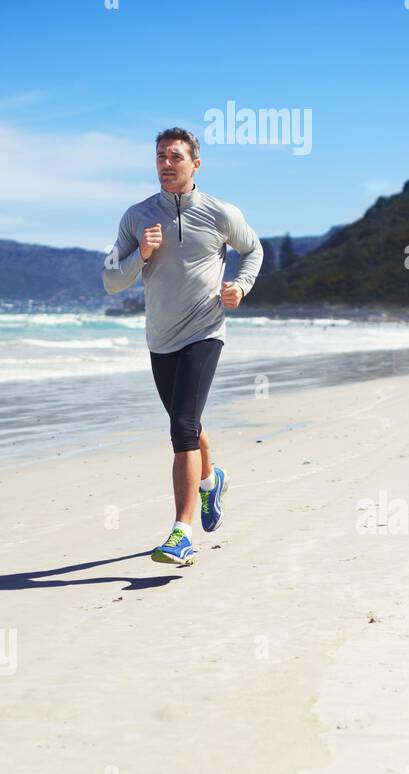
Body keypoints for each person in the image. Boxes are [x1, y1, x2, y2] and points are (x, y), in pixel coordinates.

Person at [103, 127, 263, 565]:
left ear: (196, 163)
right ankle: (211, 481)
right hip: (160, 337)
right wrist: (143, 255)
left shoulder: (220, 213)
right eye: (159, 156)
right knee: (185, 421)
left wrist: (241, 287)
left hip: (204, 331)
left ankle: (181, 533)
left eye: (175, 156)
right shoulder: (136, 217)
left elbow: (254, 250)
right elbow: (112, 280)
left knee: (182, 428)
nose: (166, 164)